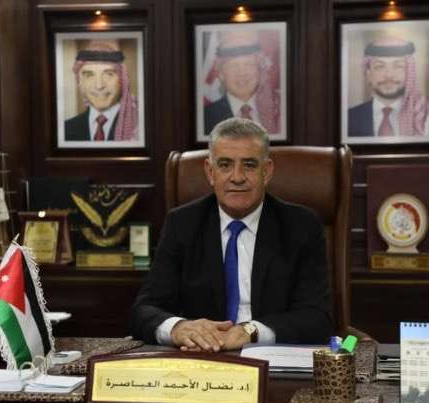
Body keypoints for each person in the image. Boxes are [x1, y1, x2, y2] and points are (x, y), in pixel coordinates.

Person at [131, 117, 332, 352]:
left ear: (266, 171)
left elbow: (317, 318)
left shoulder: (301, 226)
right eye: (225, 165)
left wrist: (250, 332)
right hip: (202, 358)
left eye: (249, 165)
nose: (237, 177)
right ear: (210, 172)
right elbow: (144, 310)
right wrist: (179, 328)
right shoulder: (182, 224)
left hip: (270, 357)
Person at [348, 37, 429, 137]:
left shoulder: (425, 117)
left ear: (409, 73)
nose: (389, 75)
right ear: (368, 74)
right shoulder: (347, 118)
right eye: (379, 66)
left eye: (398, 66)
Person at [204, 31, 280, 136]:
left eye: (249, 64)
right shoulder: (205, 118)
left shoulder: (279, 112)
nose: (242, 73)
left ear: (260, 70)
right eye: (233, 66)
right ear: (221, 74)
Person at [64, 41, 138, 141]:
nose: (99, 86)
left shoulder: (139, 127)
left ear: (122, 80)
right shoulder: (65, 129)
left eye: (109, 74)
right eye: (89, 75)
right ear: (79, 82)